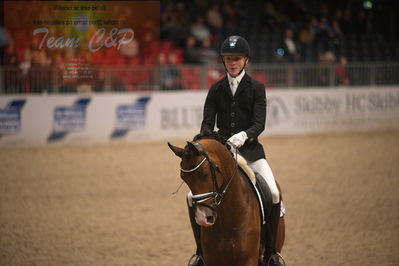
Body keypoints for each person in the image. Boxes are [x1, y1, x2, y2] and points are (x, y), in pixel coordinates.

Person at [187, 35, 284, 266]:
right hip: (224, 153)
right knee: (191, 197)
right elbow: (207, 124)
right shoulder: (216, 89)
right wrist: (210, 141)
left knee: (273, 192)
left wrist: (243, 136)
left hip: (251, 152)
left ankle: (271, 253)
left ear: (246, 60)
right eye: (229, 59)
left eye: (237, 59)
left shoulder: (257, 88)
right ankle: (200, 253)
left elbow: (259, 123)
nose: (233, 63)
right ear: (223, 61)